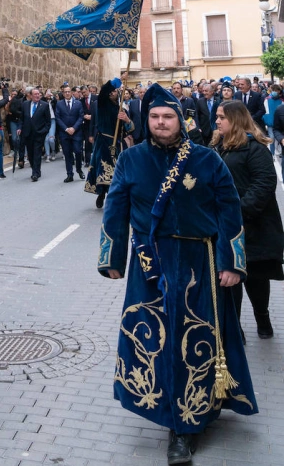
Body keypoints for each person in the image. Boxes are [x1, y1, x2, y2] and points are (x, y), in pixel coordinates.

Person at [98, 83, 257, 466]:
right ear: (145, 119)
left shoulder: (205, 160)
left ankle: (186, 424)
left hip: (197, 262)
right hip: (148, 263)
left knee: (194, 340)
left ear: (180, 120)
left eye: (167, 116)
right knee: (154, 338)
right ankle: (166, 410)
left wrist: (231, 263)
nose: (160, 123)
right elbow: (115, 209)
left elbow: (229, 210)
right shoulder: (131, 160)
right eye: (153, 116)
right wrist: (112, 257)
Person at [211, 100, 283, 340]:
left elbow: (264, 184)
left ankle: (263, 318)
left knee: (256, 277)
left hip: (254, 226)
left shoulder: (255, 148)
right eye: (217, 117)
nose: (217, 121)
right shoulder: (219, 147)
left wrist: (238, 212)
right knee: (229, 278)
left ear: (237, 119)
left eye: (222, 117)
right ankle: (235, 329)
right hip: (227, 229)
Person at [84, 75, 133, 208]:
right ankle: (101, 193)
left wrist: (126, 120)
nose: (112, 93)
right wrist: (118, 80)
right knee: (103, 169)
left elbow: (129, 128)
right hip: (104, 142)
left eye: (115, 91)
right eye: (111, 91)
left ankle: (114, 196)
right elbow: (105, 89)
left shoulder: (120, 108)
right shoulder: (102, 104)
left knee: (117, 171)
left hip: (117, 144)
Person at [21, 87, 51, 182]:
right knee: (30, 154)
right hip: (28, 133)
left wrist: (44, 131)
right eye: (35, 94)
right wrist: (19, 128)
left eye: (38, 94)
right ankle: (36, 170)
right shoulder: (25, 105)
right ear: (30, 96)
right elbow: (21, 119)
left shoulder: (44, 105)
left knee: (37, 153)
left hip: (39, 134)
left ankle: (35, 173)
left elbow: (48, 122)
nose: (37, 96)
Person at [56, 84, 85, 182]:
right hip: (64, 133)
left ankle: (79, 169)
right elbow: (58, 118)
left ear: (71, 93)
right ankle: (69, 174)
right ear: (63, 93)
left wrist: (74, 128)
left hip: (76, 132)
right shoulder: (59, 104)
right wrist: (66, 129)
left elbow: (81, 117)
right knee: (67, 154)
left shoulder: (78, 103)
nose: (67, 93)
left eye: (69, 91)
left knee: (77, 151)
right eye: (65, 92)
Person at [262, 83, 283, 157]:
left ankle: (275, 153)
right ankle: (276, 153)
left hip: (274, 122)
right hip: (275, 122)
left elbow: (266, 112)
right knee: (276, 138)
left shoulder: (268, 99)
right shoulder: (279, 100)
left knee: (275, 138)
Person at [195, 82, 218, 146]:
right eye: (203, 91)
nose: (204, 93)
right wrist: (198, 127)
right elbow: (196, 115)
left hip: (216, 129)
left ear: (212, 91)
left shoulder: (218, 100)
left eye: (206, 91)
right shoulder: (200, 101)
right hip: (204, 130)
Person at [43, 89, 58, 161]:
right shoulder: (43, 102)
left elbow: (55, 102)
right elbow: (41, 100)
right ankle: (48, 155)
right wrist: (45, 97)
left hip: (52, 120)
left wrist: (52, 97)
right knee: (46, 139)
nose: (49, 94)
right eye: (47, 93)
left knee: (51, 139)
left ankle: (53, 151)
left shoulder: (53, 101)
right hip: (45, 121)